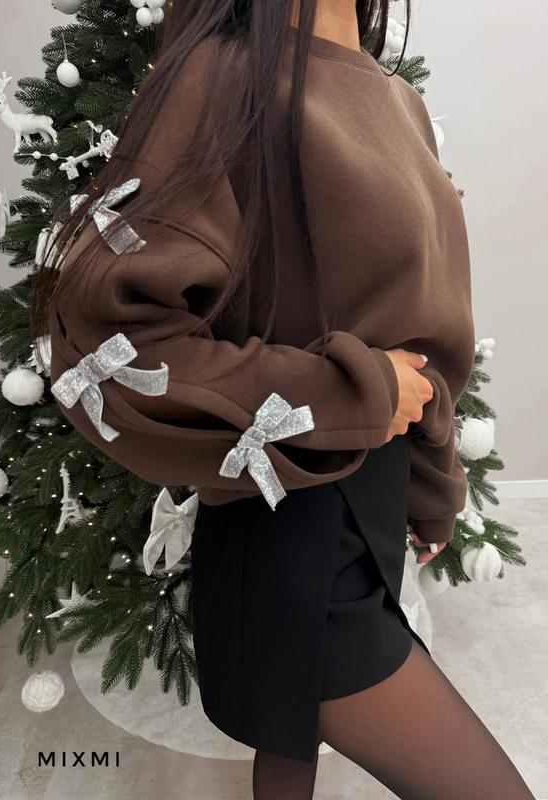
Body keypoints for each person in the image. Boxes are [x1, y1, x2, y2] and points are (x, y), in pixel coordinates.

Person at [34, 0, 536, 797]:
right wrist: (350, 392)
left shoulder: (399, 100)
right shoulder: (222, 77)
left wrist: (432, 485)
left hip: (369, 504)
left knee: (290, 739)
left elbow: (426, 333)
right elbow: (111, 340)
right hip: (286, 532)